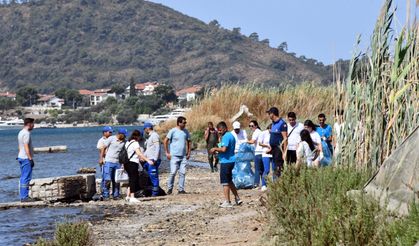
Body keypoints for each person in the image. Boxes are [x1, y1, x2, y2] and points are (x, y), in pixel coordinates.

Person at [209, 121, 242, 208]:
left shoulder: (227, 136)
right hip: (230, 160)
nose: (219, 132)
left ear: (225, 129)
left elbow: (224, 149)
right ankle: (237, 198)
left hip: (226, 162)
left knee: (225, 182)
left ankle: (227, 201)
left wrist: (214, 149)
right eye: (218, 130)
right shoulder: (229, 136)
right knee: (229, 181)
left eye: (220, 130)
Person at [124, 129, 154, 203]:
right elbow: (139, 153)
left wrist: (141, 158)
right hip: (133, 163)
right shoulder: (135, 143)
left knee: (131, 179)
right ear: (138, 136)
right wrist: (148, 160)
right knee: (134, 179)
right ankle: (132, 197)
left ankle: (128, 196)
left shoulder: (127, 142)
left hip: (126, 163)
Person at [164, 116, 191, 195]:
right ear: (179, 123)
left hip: (183, 156)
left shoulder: (186, 131)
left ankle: (181, 189)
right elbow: (165, 141)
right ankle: (169, 189)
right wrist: (167, 152)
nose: (185, 124)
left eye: (185, 122)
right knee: (173, 172)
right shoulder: (173, 131)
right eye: (184, 122)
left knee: (182, 173)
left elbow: (189, 142)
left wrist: (189, 152)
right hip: (174, 156)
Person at [102, 128, 128, 200]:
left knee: (116, 180)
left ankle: (116, 195)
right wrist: (101, 158)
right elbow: (103, 148)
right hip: (109, 161)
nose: (125, 137)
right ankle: (106, 195)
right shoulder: (111, 138)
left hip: (118, 163)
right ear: (120, 134)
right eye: (124, 135)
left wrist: (123, 163)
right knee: (107, 179)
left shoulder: (125, 142)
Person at [17, 118, 36, 202]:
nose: (34, 125)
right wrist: (30, 159)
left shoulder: (20, 132)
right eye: (33, 124)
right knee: (26, 177)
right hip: (25, 158)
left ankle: (23, 196)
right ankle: (24, 197)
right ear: (29, 124)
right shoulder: (26, 133)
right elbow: (26, 147)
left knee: (23, 177)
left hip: (20, 157)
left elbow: (19, 147)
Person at [266, 107, 288, 178]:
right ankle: (276, 183)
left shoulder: (282, 123)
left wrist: (284, 152)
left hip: (279, 149)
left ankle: (279, 183)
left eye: (269, 113)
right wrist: (271, 148)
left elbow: (285, 139)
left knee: (279, 167)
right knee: (275, 167)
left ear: (272, 114)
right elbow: (273, 138)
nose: (268, 115)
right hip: (274, 149)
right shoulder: (273, 124)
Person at [143, 122, 162, 197]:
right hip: (148, 159)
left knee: (153, 176)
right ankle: (150, 191)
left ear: (147, 128)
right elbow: (149, 149)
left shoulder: (154, 135)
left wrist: (155, 159)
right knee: (148, 176)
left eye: (144, 129)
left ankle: (155, 193)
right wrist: (143, 157)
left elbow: (157, 147)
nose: (144, 130)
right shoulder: (149, 137)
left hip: (153, 160)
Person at [95, 126, 113, 200]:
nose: (111, 133)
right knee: (105, 178)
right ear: (105, 133)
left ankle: (110, 192)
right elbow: (101, 151)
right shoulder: (101, 141)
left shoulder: (112, 139)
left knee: (112, 178)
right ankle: (104, 193)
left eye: (111, 132)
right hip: (105, 161)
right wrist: (101, 159)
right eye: (110, 132)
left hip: (112, 160)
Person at [247, 120, 263, 188]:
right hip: (262, 152)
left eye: (252, 126)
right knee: (262, 169)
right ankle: (264, 184)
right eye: (249, 126)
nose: (251, 127)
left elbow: (252, 141)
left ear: (256, 126)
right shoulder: (260, 131)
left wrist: (244, 141)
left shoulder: (256, 132)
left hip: (258, 152)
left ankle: (256, 184)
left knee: (257, 169)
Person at [258, 124, 273, 192]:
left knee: (275, 169)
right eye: (270, 129)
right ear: (268, 128)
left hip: (273, 153)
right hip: (265, 153)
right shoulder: (263, 133)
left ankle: (275, 184)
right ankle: (264, 185)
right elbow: (260, 143)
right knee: (266, 170)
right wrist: (267, 145)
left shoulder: (275, 133)